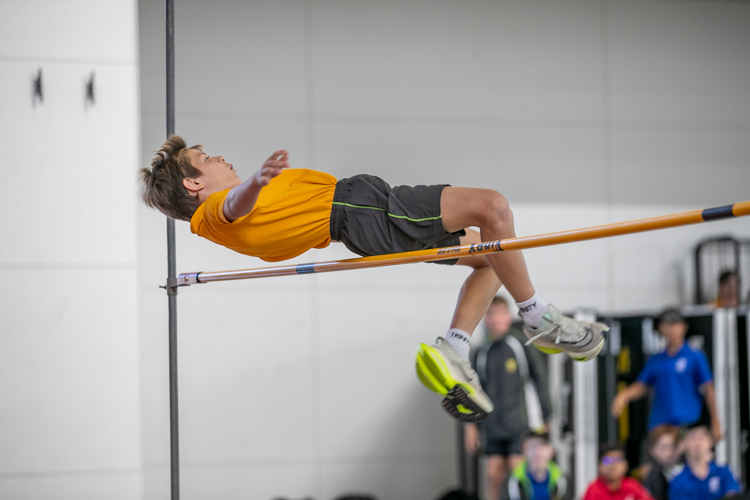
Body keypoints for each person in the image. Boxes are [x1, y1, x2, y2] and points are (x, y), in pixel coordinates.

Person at [139, 136, 608, 422]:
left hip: (363, 217)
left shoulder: (219, 219)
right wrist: (256, 181)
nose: (220, 156)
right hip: (361, 210)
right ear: (194, 184)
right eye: (207, 157)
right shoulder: (213, 213)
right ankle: (538, 316)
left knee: (491, 259)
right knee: (493, 207)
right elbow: (233, 202)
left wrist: (256, 185)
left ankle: (456, 347)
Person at [465, 296, 551, 500]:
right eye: (491, 315)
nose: (495, 320)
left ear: (509, 317)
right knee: (493, 473)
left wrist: (547, 416)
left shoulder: (520, 344)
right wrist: (471, 427)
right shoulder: (481, 351)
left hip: (518, 423)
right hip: (492, 425)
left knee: (515, 472)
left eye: (499, 314)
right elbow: (472, 391)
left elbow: (539, 379)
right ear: (486, 319)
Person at [611, 308, 721, 442]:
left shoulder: (695, 356)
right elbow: (642, 385)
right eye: (666, 325)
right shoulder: (656, 359)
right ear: (660, 329)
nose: (671, 330)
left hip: (687, 425)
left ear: (684, 327)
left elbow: (708, 388)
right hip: (660, 426)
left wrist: (715, 422)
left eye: (674, 324)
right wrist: (624, 395)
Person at [669, 425, 741, 500]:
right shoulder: (678, 481)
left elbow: (733, 495)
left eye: (702, 437)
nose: (698, 443)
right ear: (684, 443)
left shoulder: (724, 473)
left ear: (711, 441)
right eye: (693, 437)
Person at [499, 432, 571, 500]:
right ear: (524, 452)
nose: (537, 453)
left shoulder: (563, 480)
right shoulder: (511, 481)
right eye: (532, 447)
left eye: (542, 446)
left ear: (551, 451)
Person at [582, 444, 655, 500]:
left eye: (617, 460)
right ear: (599, 466)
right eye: (607, 461)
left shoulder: (632, 485)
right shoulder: (594, 490)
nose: (613, 466)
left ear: (625, 464)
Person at [641, 425, 681, 500]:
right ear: (652, 450)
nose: (669, 452)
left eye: (672, 446)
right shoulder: (653, 475)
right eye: (664, 447)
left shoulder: (680, 469)